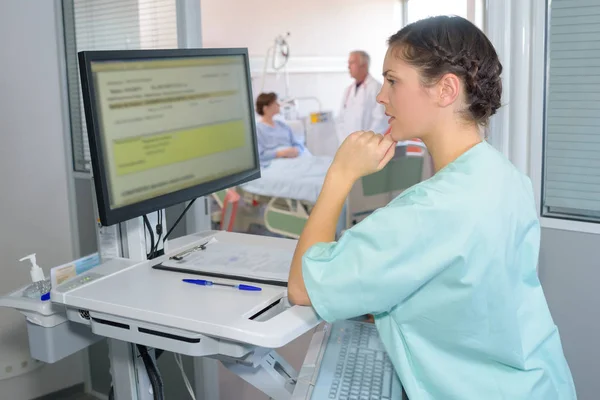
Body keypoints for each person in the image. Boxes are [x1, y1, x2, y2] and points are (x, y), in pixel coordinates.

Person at [287, 16, 576, 400]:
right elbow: (473, 290)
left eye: (393, 81)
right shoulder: (505, 176)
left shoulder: (430, 210)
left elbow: (302, 287)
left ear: (445, 89)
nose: (380, 96)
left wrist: (339, 175)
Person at [336, 50, 388, 143]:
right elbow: (340, 120)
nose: (348, 67)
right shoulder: (348, 91)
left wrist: (364, 141)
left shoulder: (376, 88)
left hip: (368, 145)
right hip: (348, 145)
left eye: (352, 63)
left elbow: (380, 119)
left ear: (364, 65)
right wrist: (345, 141)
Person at [255, 92, 307, 164]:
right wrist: (281, 153)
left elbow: (297, 144)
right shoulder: (257, 129)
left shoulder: (283, 126)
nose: (279, 105)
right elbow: (259, 155)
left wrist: (297, 150)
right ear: (265, 108)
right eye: (275, 103)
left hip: (294, 158)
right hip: (275, 163)